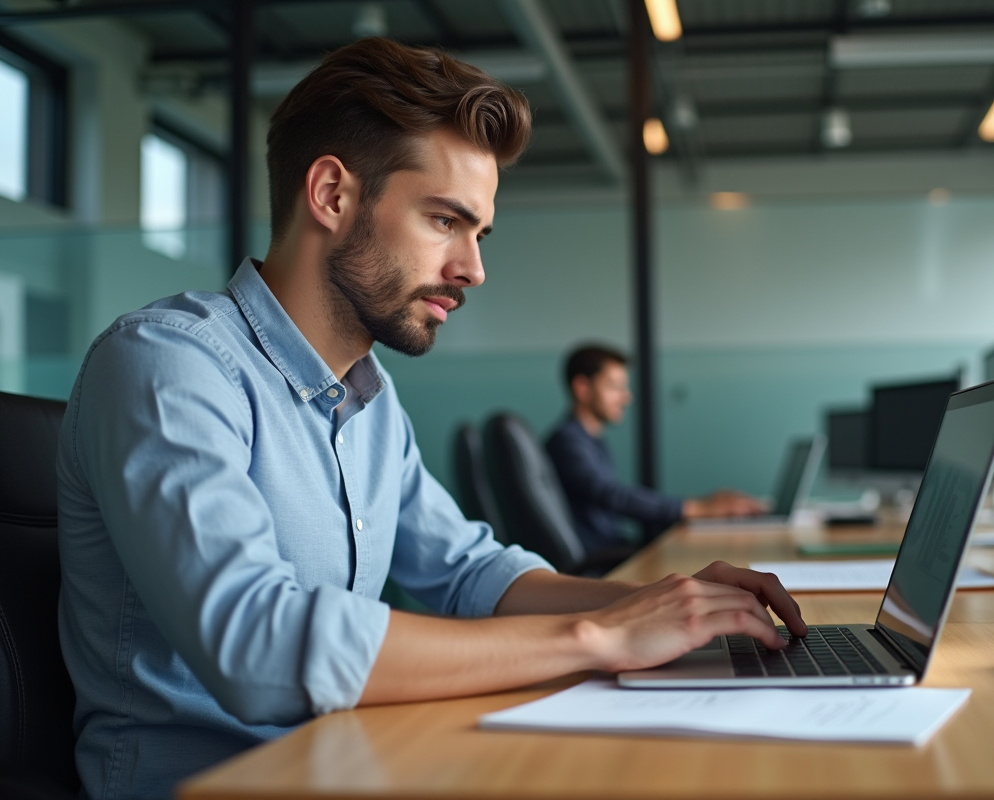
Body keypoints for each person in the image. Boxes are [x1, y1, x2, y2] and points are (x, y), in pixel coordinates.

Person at [57, 39, 805, 800]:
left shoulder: (371, 402)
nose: (473, 269)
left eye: (478, 234)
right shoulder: (166, 364)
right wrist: (599, 635)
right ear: (331, 195)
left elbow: (470, 573)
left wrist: (669, 603)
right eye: (445, 220)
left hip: (354, 762)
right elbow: (259, 648)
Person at [546, 344, 766, 554]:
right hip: (599, 561)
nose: (627, 396)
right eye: (615, 387)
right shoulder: (567, 443)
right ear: (582, 388)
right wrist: (696, 508)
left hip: (613, 549)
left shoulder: (591, 440)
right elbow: (614, 496)